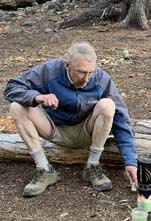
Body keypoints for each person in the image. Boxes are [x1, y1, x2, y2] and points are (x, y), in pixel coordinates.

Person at [3, 40, 138, 197]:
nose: (86, 79)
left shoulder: (101, 78)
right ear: (67, 65)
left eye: (90, 73)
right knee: (17, 107)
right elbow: (11, 88)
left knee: (108, 105)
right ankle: (44, 169)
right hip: (53, 129)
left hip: (86, 131)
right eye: (81, 72)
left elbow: (121, 120)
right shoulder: (49, 70)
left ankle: (92, 166)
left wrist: (130, 162)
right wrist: (38, 96)